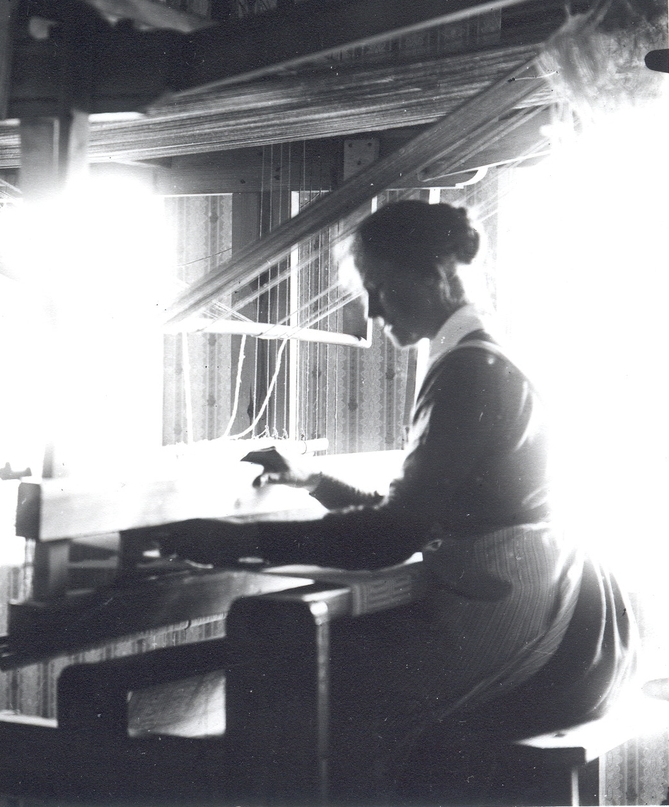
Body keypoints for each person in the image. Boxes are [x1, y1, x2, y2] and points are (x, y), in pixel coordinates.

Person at [165, 200, 637, 803]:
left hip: (527, 610)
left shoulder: (466, 370)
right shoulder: (486, 353)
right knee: (331, 671)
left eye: (381, 288)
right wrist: (314, 481)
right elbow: (422, 514)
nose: (372, 311)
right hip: (558, 597)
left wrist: (239, 541)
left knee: (322, 682)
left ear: (436, 275)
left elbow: (392, 536)